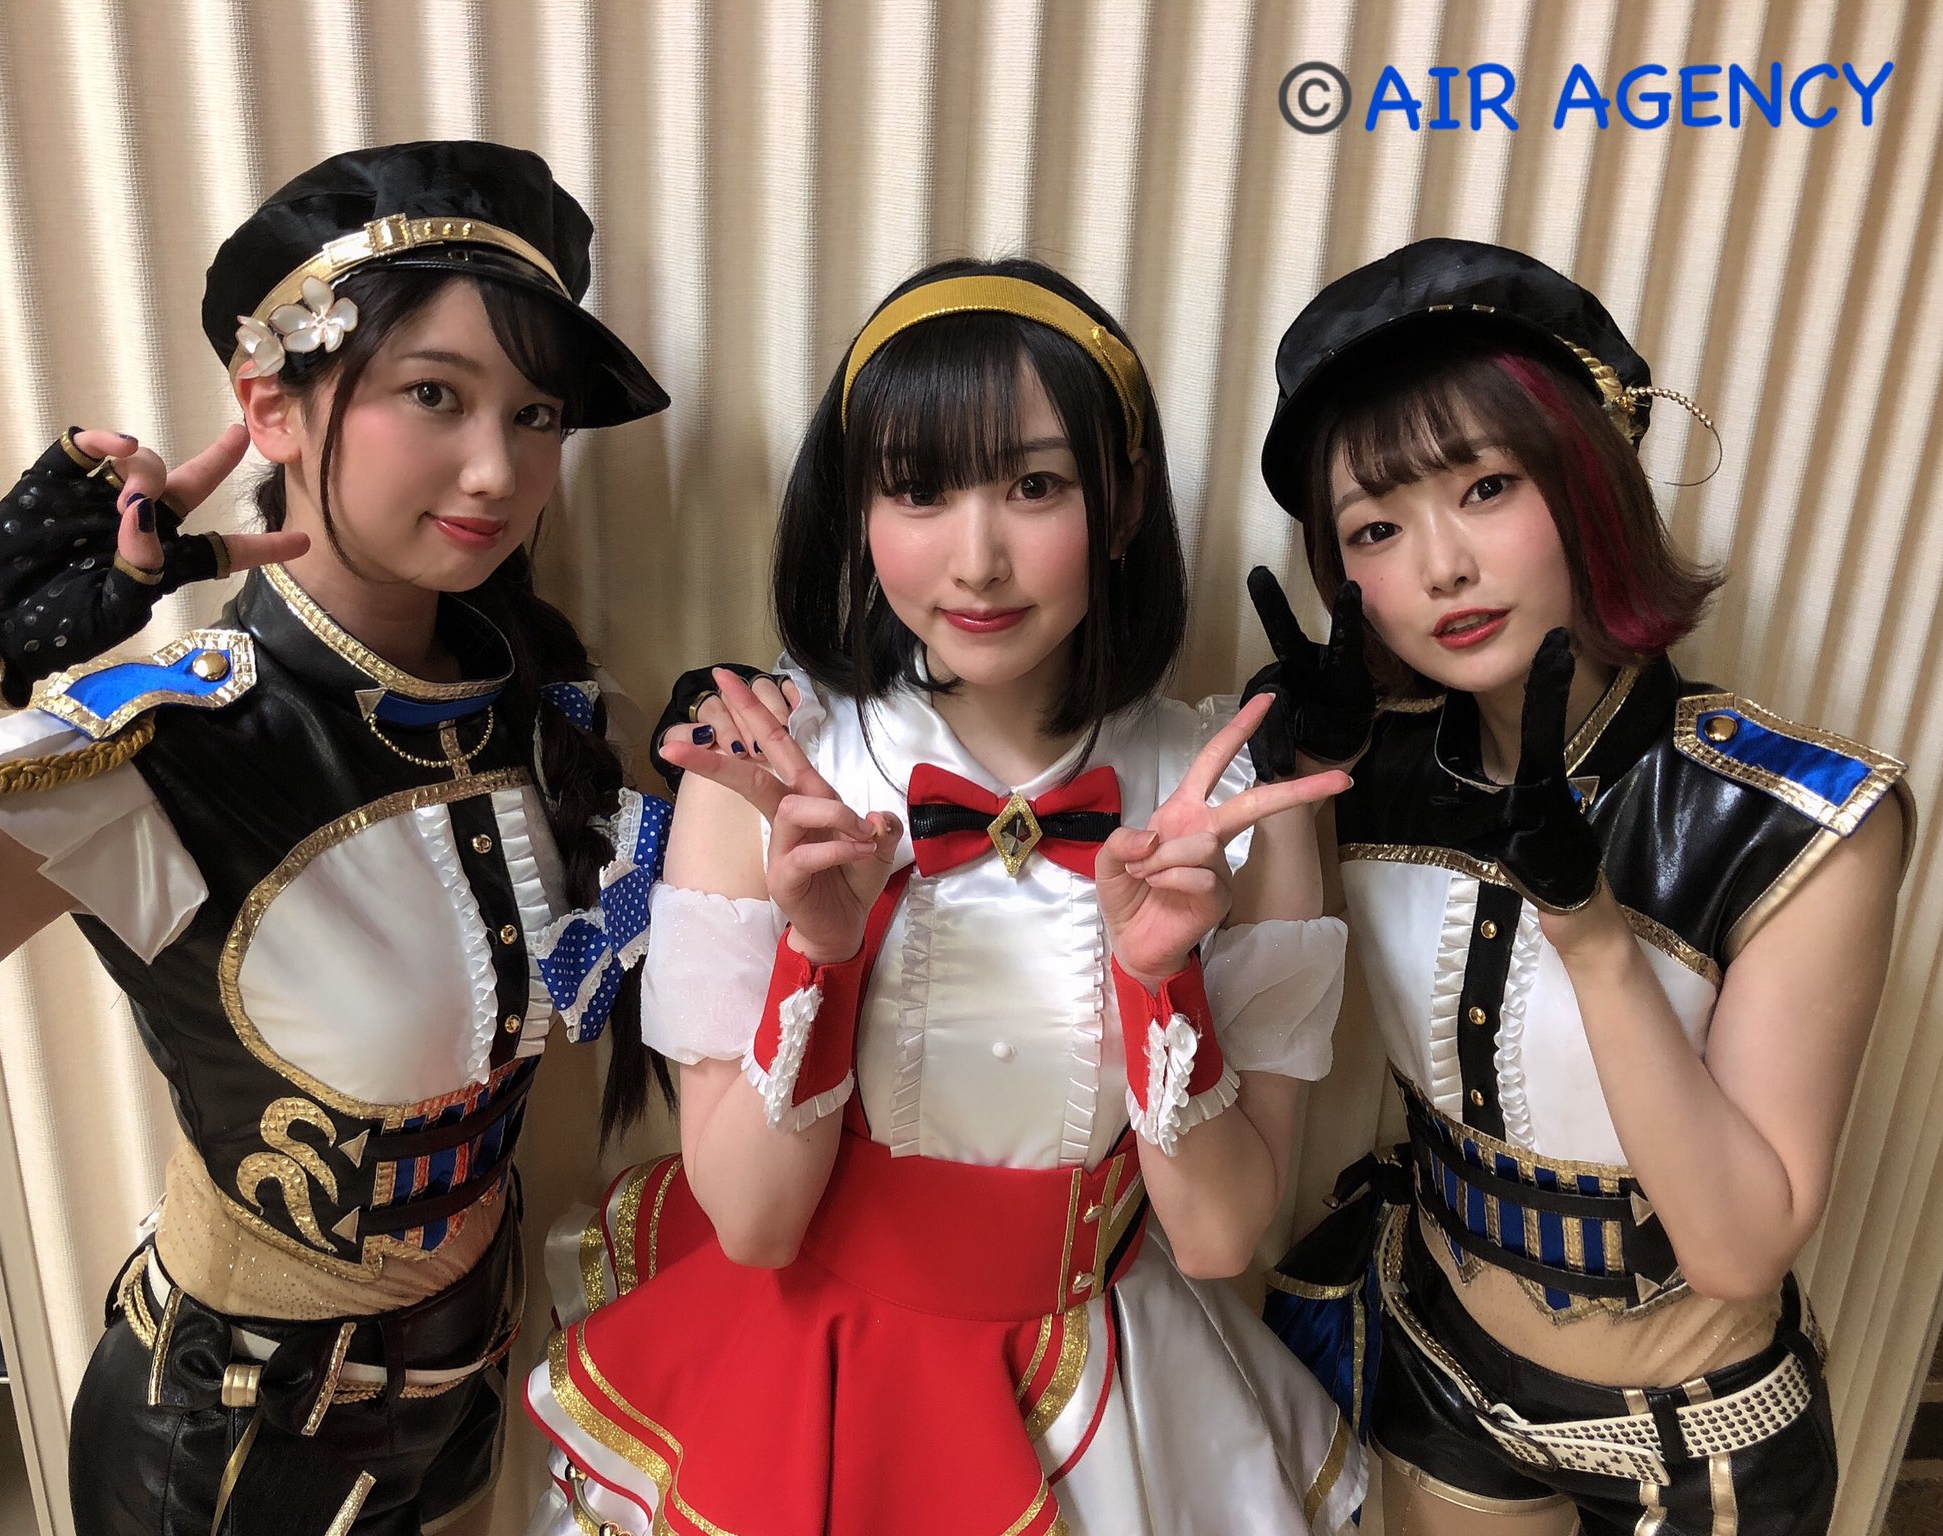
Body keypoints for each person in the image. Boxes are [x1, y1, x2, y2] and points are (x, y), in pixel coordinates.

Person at [524, 257, 1367, 1535]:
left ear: (1123, 501)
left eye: (1034, 486)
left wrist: (1158, 983)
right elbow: (750, 1224)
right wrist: (820, 956)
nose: (976, 561)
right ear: (858, 509)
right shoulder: (767, 769)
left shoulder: (1233, 800)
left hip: (1109, 1393)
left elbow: (1216, 1240)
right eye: (917, 489)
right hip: (807, 1373)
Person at [0, 140, 677, 1535]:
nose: (496, 468)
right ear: (270, 406)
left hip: (466, 1390)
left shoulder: (551, 712)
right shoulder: (159, 748)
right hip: (225, 1451)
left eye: (535, 415)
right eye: (433, 394)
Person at [1246, 238, 1912, 1535]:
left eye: (1486, 486)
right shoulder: (1376, 769)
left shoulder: (1796, 818)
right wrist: (1294, 790)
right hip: (1441, 1370)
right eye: (1375, 528)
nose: (1439, 567)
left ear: (1589, 483)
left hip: (1695, 1436)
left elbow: (1736, 1248)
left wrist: (1595, 935)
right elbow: (1280, 1026)